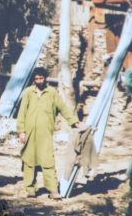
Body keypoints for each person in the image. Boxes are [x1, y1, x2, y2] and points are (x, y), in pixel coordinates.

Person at [15, 66, 85, 198]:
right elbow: (21, 113)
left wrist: (74, 121)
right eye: (36, 79)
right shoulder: (28, 92)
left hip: (45, 134)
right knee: (29, 161)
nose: (39, 81)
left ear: (45, 79)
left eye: (41, 78)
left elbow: (63, 108)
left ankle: (53, 190)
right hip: (29, 133)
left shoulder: (52, 93)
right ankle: (30, 189)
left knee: (48, 161)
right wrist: (21, 131)